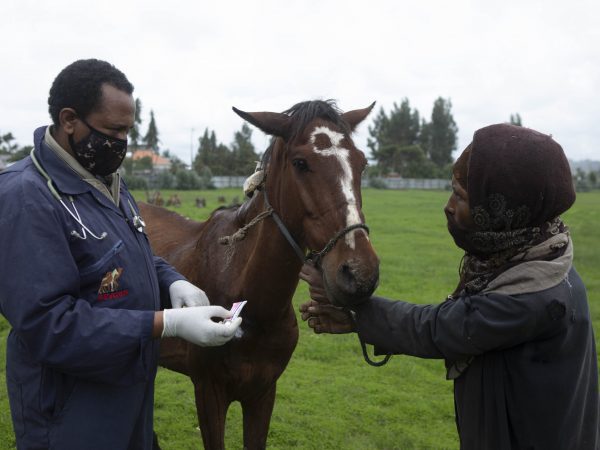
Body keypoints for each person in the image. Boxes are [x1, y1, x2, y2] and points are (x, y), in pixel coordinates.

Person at [300, 124, 599, 449]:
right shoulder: (544, 251)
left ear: (504, 211)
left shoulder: (536, 295)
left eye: (461, 195)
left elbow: (444, 328)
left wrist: (356, 313)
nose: (449, 206)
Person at [0, 59, 242, 450]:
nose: (123, 145)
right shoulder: (27, 197)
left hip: (130, 389)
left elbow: (130, 254)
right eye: (114, 131)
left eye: (128, 131)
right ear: (69, 120)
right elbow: (50, 325)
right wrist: (167, 324)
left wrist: (172, 280)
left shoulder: (105, 179)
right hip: (69, 407)